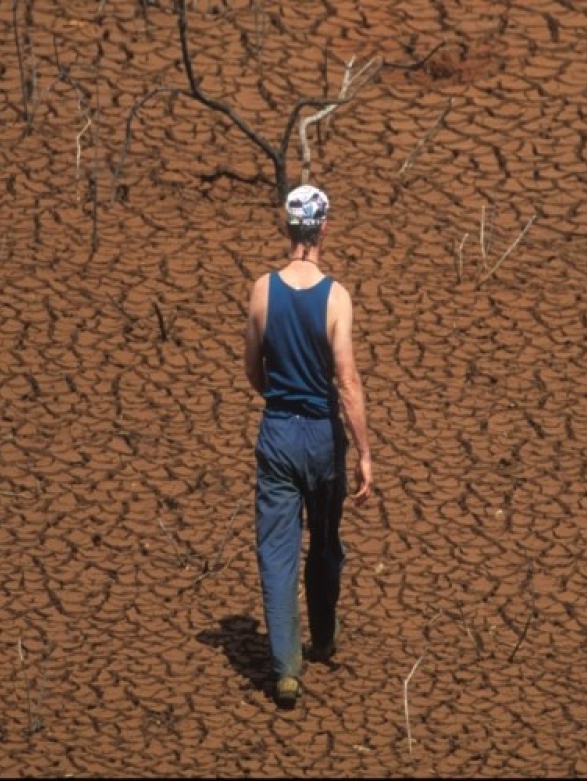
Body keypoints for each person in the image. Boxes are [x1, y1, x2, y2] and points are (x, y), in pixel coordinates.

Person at [243, 183, 373, 709]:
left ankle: (286, 669)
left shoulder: (261, 291)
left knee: (276, 554)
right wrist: (363, 452)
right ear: (323, 229)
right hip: (322, 436)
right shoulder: (336, 298)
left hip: (277, 431)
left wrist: (279, 399)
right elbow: (347, 383)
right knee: (323, 539)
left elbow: (253, 369)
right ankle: (322, 633)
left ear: (288, 228)